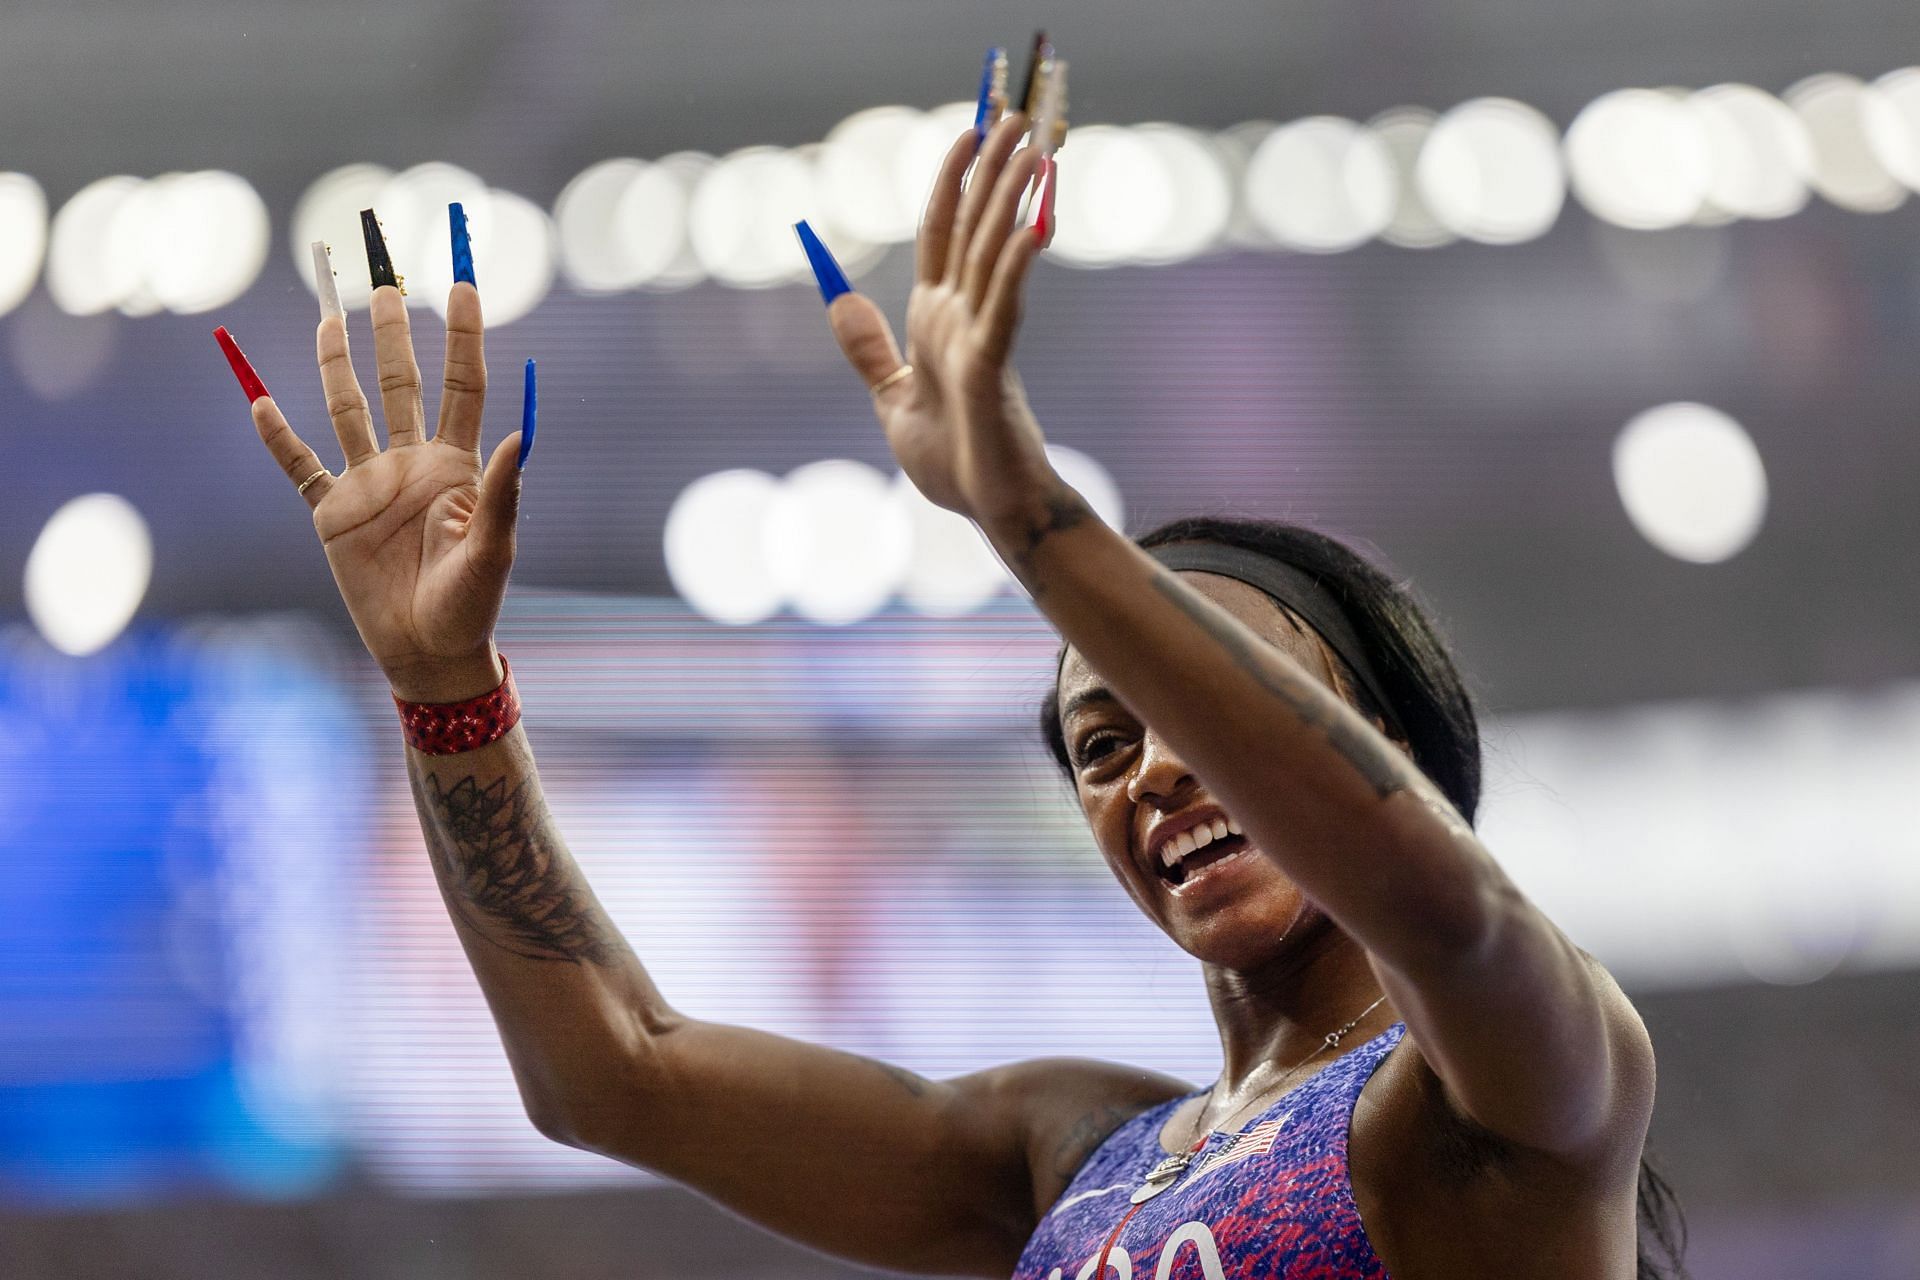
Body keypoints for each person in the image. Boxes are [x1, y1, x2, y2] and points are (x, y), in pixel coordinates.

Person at [226, 106, 1683, 1278]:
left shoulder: (1512, 1084)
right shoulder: (1075, 1150)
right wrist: (443, 690)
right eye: (1098, 744)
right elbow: (616, 1074)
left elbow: (1447, 912)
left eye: (1195, 711)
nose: (1152, 772)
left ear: (1368, 732)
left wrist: (1028, 513)